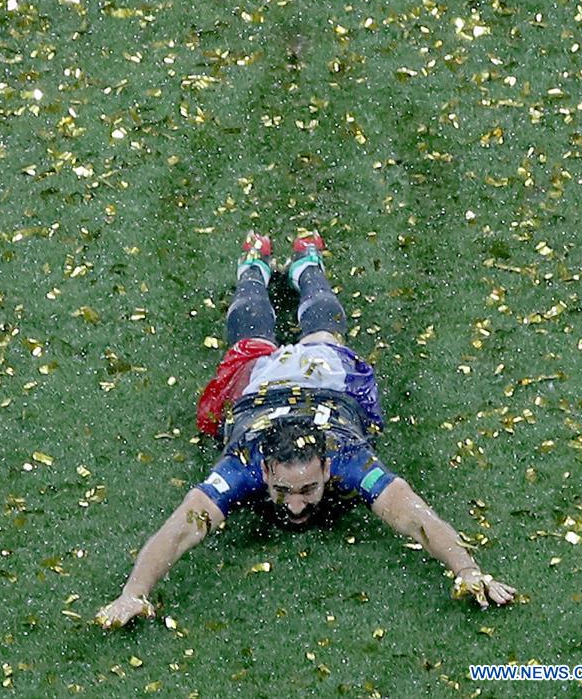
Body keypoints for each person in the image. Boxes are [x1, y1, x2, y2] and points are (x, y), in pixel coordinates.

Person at [96, 231, 515, 628]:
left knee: (321, 334)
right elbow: (182, 528)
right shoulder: (242, 462)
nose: (295, 507)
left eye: (307, 490)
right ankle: (253, 271)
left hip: (324, 381)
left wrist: (468, 570)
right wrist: (134, 592)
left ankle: (306, 266)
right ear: (264, 471)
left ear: (328, 465)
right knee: (252, 339)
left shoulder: (348, 455)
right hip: (261, 386)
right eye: (283, 491)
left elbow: (412, 516)